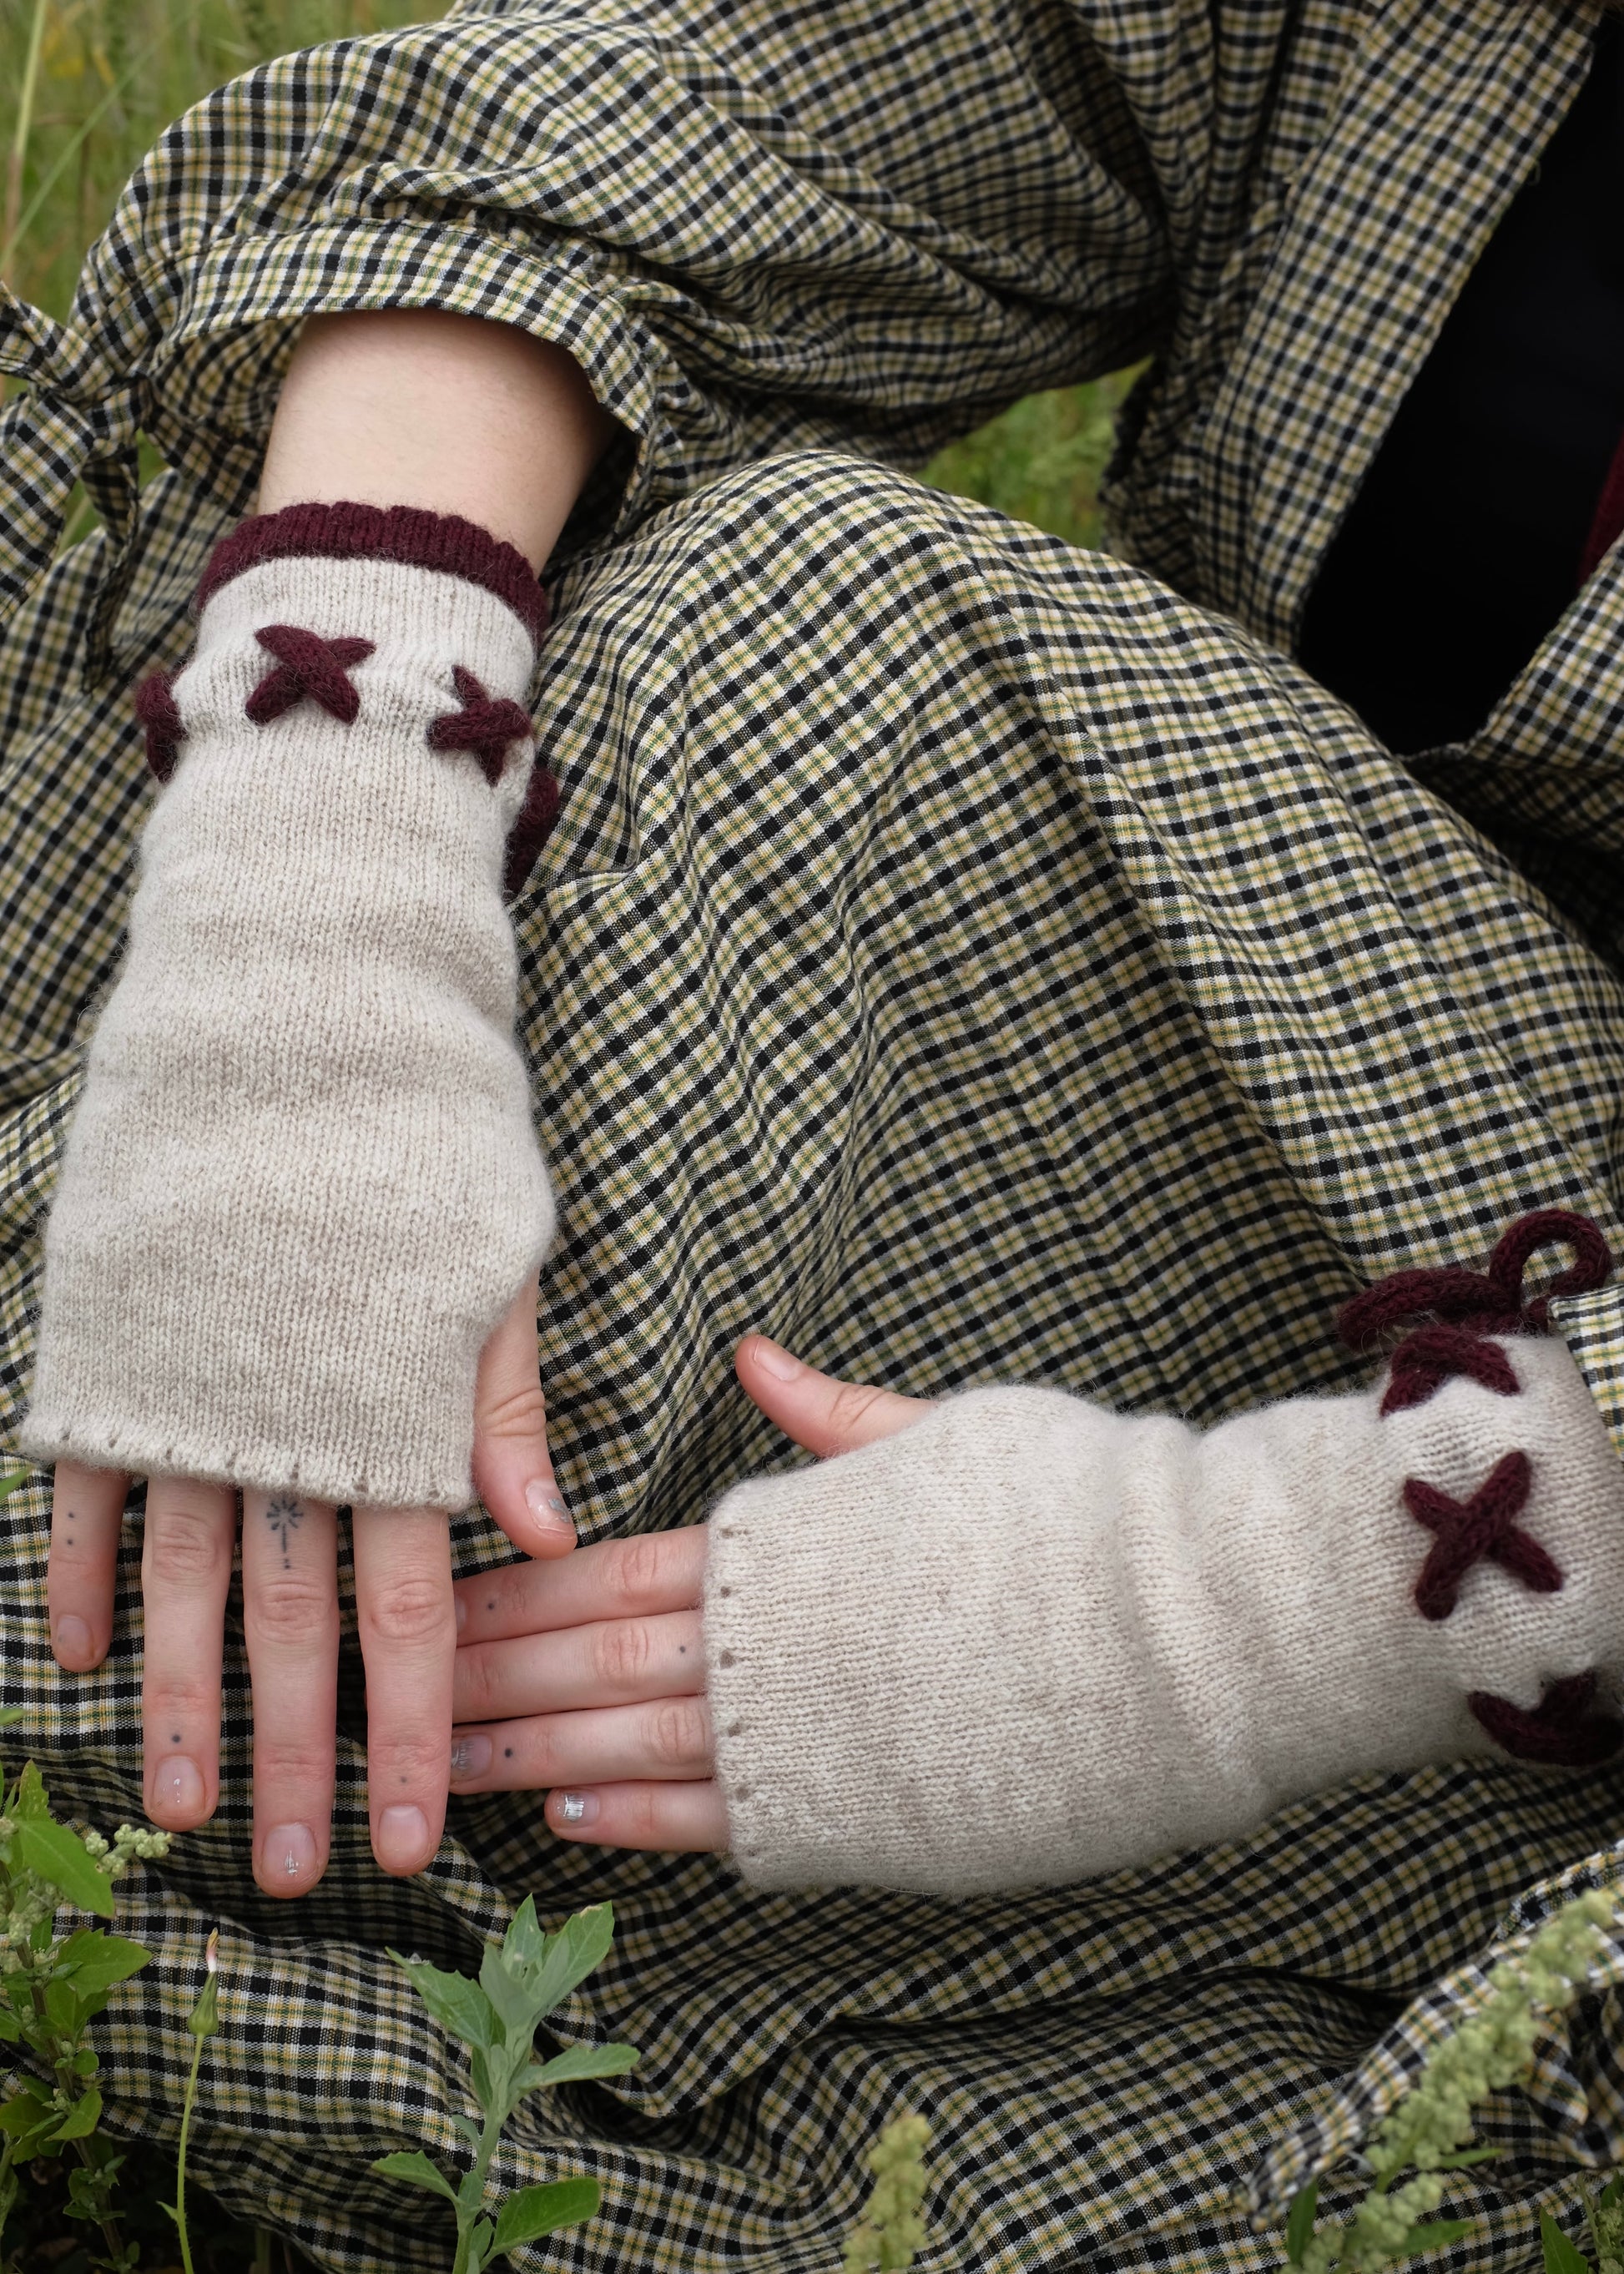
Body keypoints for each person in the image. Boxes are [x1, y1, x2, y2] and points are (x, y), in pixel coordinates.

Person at [3, 0, 1624, 2261]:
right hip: (1142, 1056)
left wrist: (1266, 1588)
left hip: (1500, 1603)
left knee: (799, 650)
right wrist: (327, 841)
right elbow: (639, 136)